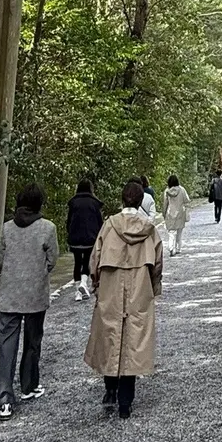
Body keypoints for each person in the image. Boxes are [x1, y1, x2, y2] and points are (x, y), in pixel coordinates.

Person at [84, 178, 163, 419]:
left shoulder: (109, 226)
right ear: (140, 202)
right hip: (139, 287)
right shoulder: (149, 230)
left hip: (111, 286)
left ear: (122, 199)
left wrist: (97, 283)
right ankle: (126, 402)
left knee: (111, 333)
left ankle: (110, 390)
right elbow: (157, 263)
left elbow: (95, 259)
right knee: (133, 338)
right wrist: (154, 288)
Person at [0, 181, 58, 419]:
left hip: (8, 295)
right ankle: (29, 387)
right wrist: (37, 273)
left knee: (6, 347)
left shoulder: (6, 228)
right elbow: (52, 259)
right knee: (32, 342)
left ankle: (4, 400)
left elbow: (0, 259)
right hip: (35, 295)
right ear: (40, 203)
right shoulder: (47, 228)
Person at [66, 176, 104, 302]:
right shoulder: (94, 203)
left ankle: (78, 292)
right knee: (87, 261)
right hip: (90, 238)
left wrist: (70, 234)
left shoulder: (73, 203)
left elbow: (69, 221)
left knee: (77, 263)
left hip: (75, 238)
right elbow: (100, 222)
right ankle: (83, 283)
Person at [162, 172, 191, 255]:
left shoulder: (167, 191)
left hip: (170, 213)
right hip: (180, 213)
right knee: (179, 232)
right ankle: (178, 248)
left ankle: (171, 247)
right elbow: (187, 201)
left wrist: (164, 213)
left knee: (171, 232)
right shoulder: (182, 190)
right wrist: (187, 210)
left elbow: (165, 204)